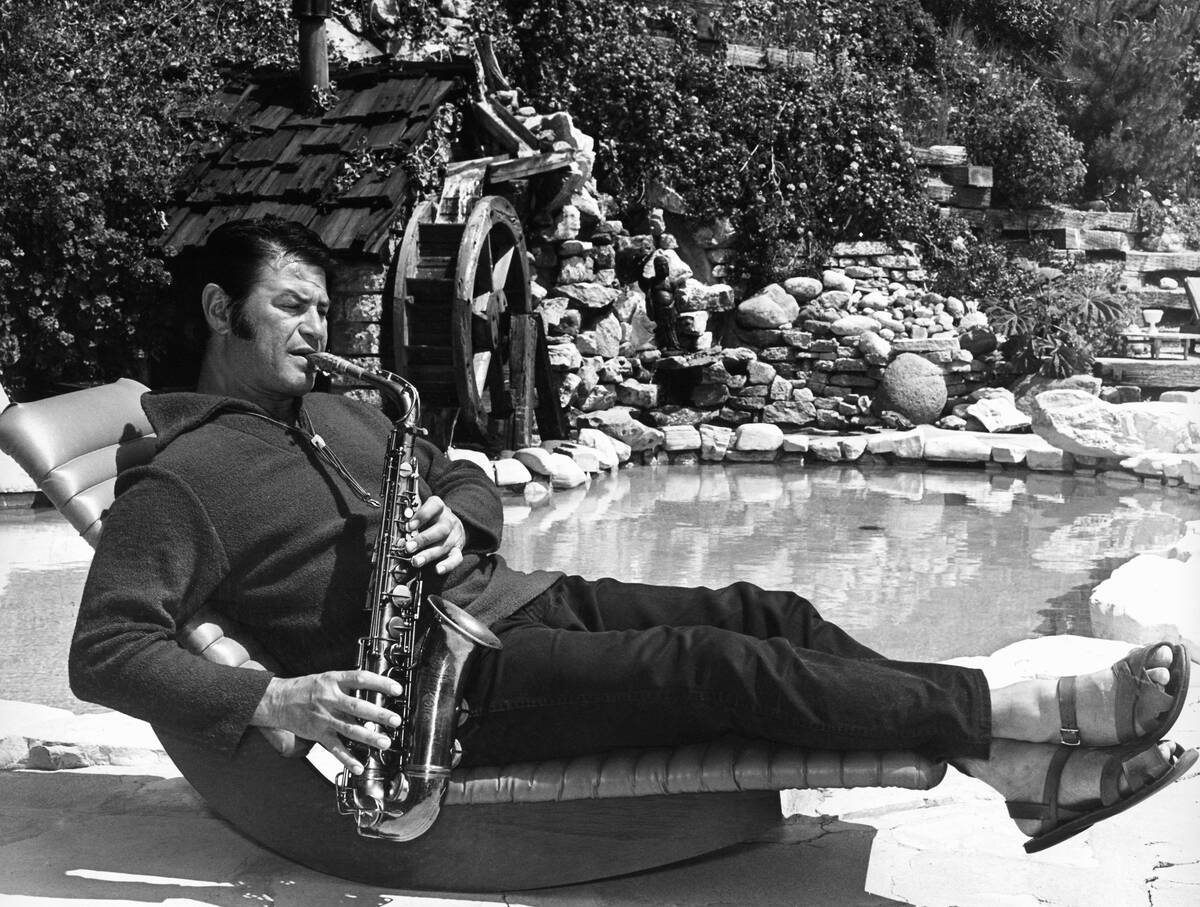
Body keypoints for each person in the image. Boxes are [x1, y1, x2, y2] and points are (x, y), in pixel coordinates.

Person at [69, 218, 1195, 856]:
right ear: (222, 313)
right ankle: (1023, 722)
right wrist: (277, 700)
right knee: (717, 669)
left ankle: (1004, 769)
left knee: (771, 612)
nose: (322, 331)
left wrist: (447, 514)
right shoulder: (182, 474)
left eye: (325, 308)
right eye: (295, 309)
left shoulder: (334, 408)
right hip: (440, 694)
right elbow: (104, 649)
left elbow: (462, 468)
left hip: (503, 606)